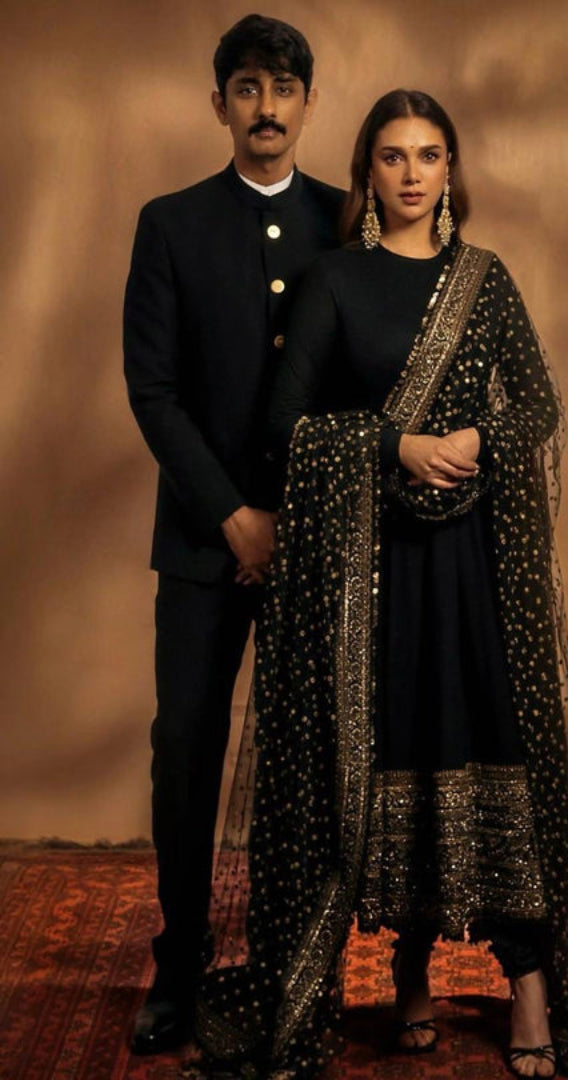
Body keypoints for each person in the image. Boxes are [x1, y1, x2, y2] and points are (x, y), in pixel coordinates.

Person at [195, 90, 568, 1079]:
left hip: (475, 574)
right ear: (367, 172)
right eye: (390, 156)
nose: (412, 174)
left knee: (493, 747)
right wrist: (395, 444)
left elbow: (538, 403)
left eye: (429, 155)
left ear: (452, 170)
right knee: (398, 763)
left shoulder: (485, 281)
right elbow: (286, 432)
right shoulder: (335, 284)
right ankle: (409, 968)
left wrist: (474, 440)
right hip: (371, 582)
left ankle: (529, 985)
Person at [122, 14, 344, 1055]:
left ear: (308, 104)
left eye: (285, 87)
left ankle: (300, 962)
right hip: (204, 543)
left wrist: (299, 518)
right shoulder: (169, 224)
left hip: (319, 546)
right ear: (220, 104)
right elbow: (153, 391)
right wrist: (230, 514)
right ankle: (178, 967)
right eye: (247, 87)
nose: (267, 106)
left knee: (311, 763)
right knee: (185, 750)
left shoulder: (349, 223)